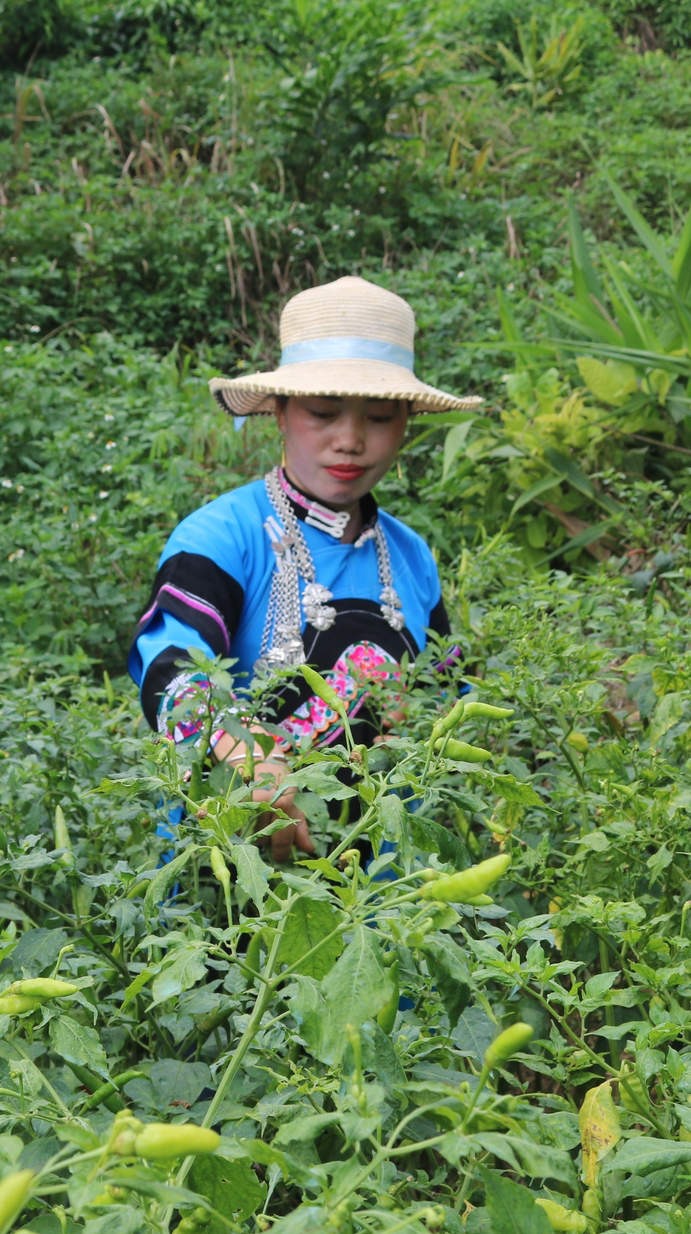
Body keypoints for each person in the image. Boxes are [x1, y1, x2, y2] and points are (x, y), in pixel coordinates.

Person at [127, 276, 481, 860]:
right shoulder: (222, 537)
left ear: (407, 425)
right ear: (281, 412)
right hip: (233, 889)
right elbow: (166, 666)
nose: (350, 440)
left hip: (383, 901)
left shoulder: (411, 554)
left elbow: (449, 691)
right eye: (322, 411)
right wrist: (246, 754)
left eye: (380, 417)